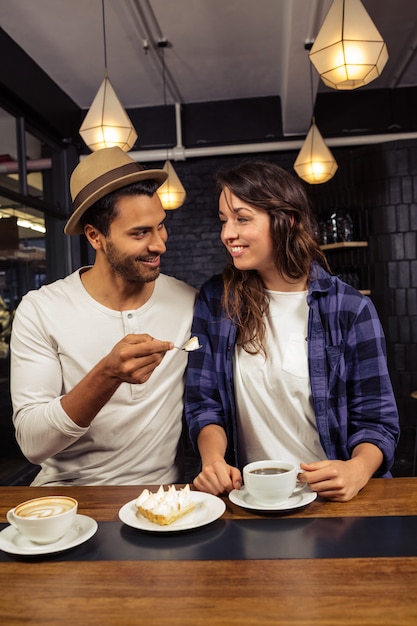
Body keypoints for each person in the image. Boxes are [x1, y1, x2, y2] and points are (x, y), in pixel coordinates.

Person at [185, 160, 399, 502]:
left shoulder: (349, 309)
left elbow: (378, 420)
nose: (227, 233)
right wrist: (213, 462)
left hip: (331, 499)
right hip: (250, 497)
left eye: (242, 218)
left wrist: (356, 470)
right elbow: (204, 403)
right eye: (224, 220)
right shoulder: (217, 300)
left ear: (287, 220)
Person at [10, 146, 196, 486]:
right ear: (95, 236)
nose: (160, 245)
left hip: (164, 501)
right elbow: (32, 444)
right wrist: (107, 375)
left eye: (161, 226)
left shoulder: (188, 301)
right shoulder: (40, 310)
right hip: (70, 500)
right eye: (140, 233)